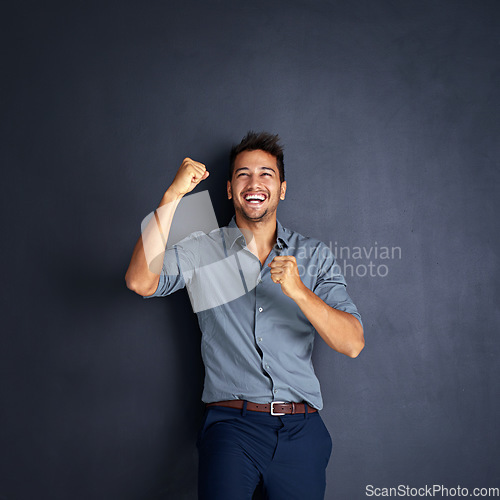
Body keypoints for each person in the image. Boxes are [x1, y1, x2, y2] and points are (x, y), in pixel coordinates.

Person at [125, 131, 364, 499]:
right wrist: (173, 196)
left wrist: (299, 291)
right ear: (229, 189)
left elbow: (352, 343)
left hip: (301, 433)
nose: (254, 183)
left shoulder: (313, 255)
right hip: (231, 429)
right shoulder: (202, 248)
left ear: (282, 188)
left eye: (266, 174)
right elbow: (140, 281)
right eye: (243, 174)